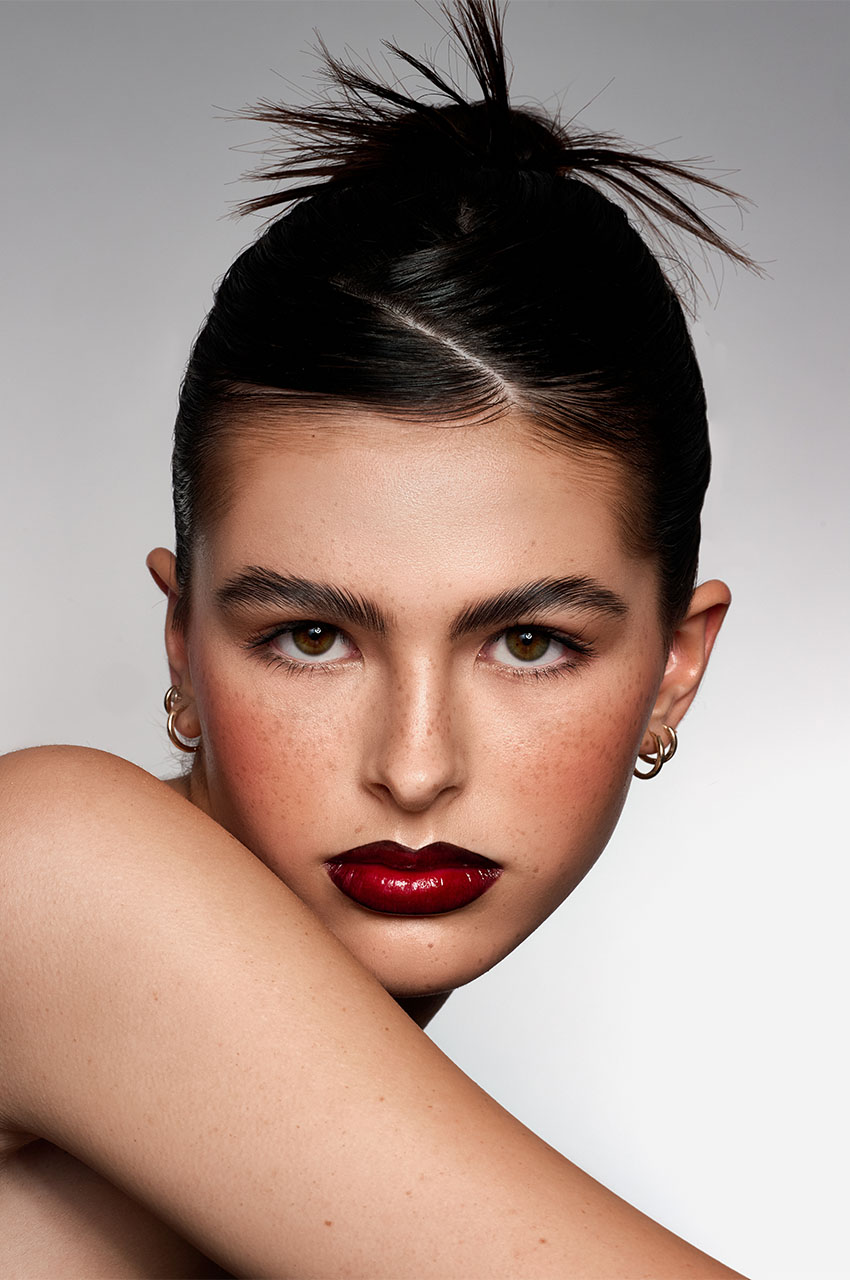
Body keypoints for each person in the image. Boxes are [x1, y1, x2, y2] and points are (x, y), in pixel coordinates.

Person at [0, 1, 758, 1274]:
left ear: (674, 668)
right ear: (182, 642)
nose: (412, 767)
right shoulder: (46, 877)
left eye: (527, 642)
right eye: (310, 636)